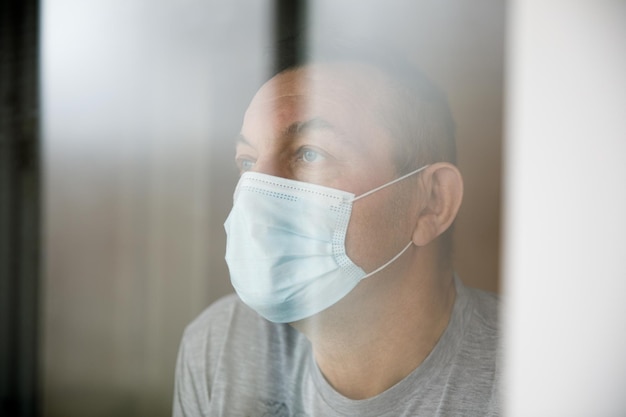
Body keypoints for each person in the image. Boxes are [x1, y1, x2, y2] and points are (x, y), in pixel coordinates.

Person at [173, 42, 500, 416]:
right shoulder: (220, 346)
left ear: (431, 203)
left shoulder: (530, 374)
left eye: (309, 153)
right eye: (247, 162)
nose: (255, 194)